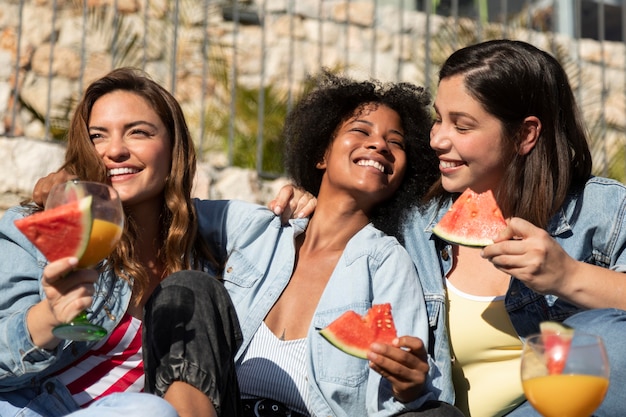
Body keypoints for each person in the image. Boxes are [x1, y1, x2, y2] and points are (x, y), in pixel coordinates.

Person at [275, 40, 626, 417]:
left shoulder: (603, 210)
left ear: (526, 135)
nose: (438, 139)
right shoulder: (414, 217)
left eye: (461, 125)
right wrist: (311, 200)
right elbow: (350, 197)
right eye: (438, 118)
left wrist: (568, 275)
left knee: (609, 337)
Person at [191, 70, 463, 417]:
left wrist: (407, 387)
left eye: (395, 142)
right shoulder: (258, 230)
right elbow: (168, 215)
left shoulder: (387, 264)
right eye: (361, 131)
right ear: (321, 154)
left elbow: (398, 394)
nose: (380, 144)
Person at [0, 67, 248, 417]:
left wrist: (304, 200)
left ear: (174, 147)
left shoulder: (207, 257)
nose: (114, 150)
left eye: (138, 132)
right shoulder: (40, 227)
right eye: (98, 136)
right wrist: (50, 316)